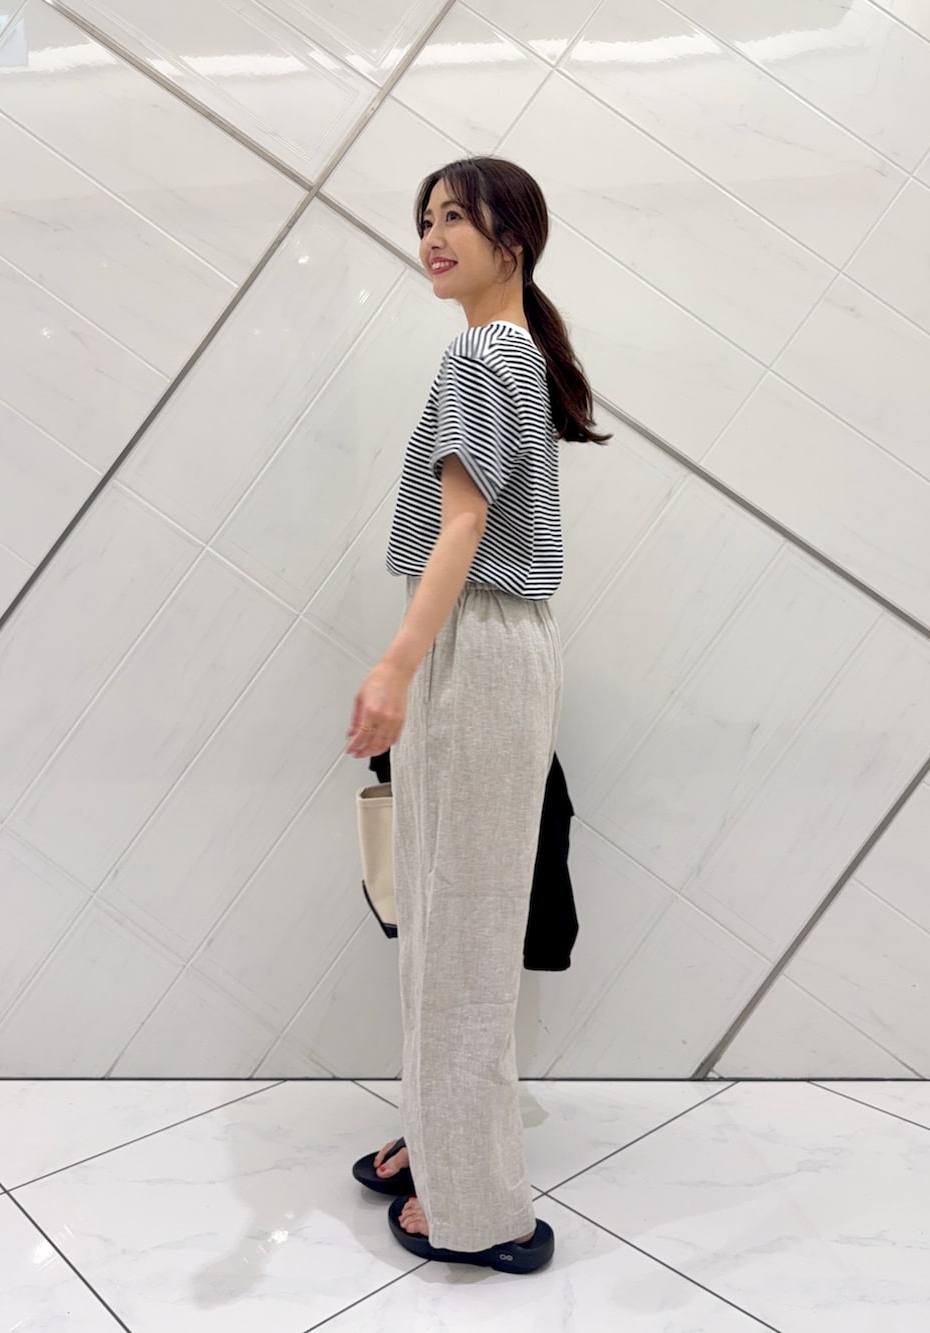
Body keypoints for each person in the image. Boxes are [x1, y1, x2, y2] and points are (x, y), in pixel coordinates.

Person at [345, 156, 610, 1274]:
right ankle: (438, 1135)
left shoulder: (482, 353)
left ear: (516, 237)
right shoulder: (512, 351)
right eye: (426, 218)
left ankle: (477, 1204)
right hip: (487, 642)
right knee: (447, 914)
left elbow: (463, 526)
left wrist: (395, 665)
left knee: (459, 929)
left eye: (457, 215)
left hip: (476, 643)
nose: (433, 235)